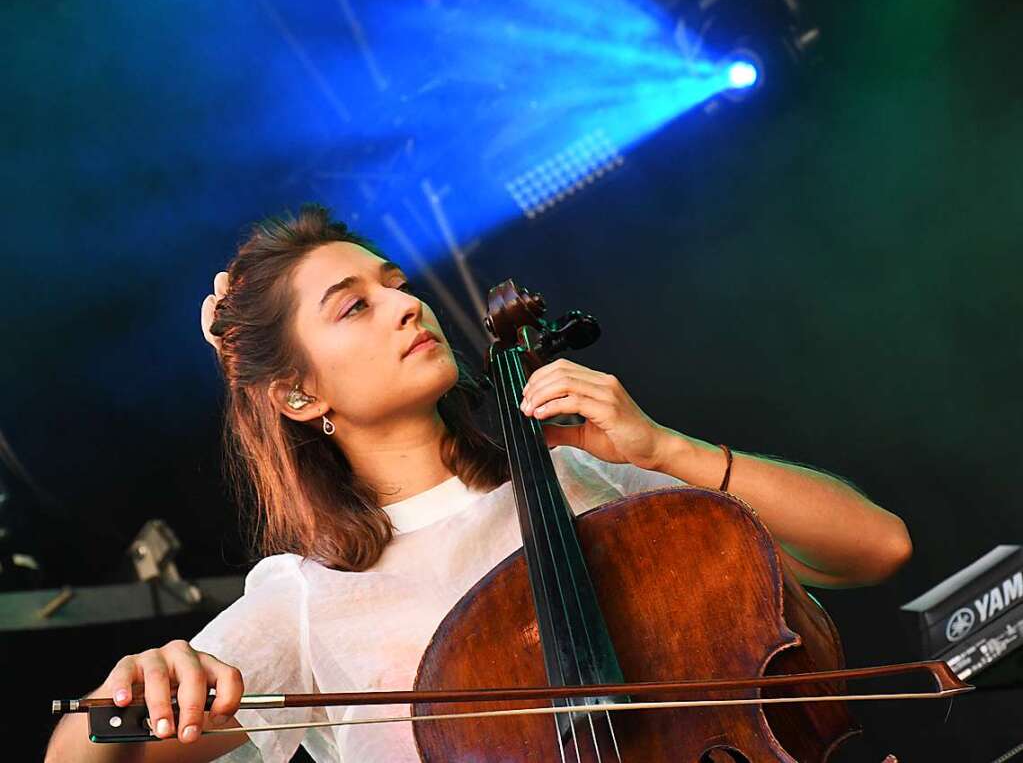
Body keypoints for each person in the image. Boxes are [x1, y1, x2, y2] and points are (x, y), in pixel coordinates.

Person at [45, 204, 913, 762]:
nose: (405, 304)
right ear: (299, 394)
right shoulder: (307, 602)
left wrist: (666, 449)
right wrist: (141, 682)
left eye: (396, 283)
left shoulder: (579, 479)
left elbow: (876, 546)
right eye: (354, 305)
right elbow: (82, 756)